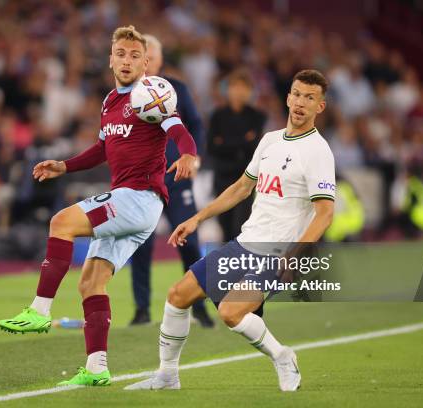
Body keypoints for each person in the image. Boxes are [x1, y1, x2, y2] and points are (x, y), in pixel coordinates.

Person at [0, 26, 197, 387]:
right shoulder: (109, 101)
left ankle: (39, 310)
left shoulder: (149, 94)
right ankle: (96, 367)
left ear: (146, 62)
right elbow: (103, 148)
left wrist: (188, 154)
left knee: (61, 221)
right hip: (132, 203)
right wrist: (65, 165)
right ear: (110, 59)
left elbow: (177, 127)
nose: (127, 60)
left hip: (138, 198)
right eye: (121, 53)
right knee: (90, 283)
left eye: (135, 55)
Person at [125, 70, 335, 392]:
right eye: (296, 94)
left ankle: (282, 356)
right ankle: (167, 376)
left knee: (230, 312)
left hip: (276, 253)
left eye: (310, 97)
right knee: (177, 296)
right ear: (288, 96)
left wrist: (295, 256)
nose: (300, 102)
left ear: (320, 106)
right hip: (244, 245)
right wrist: (197, 219)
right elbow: (240, 188)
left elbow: (324, 214)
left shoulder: (318, 152)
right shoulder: (270, 140)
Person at [129, 34, 214, 327]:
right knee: (141, 244)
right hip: (142, 181)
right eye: (144, 55)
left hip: (176, 178)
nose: (148, 61)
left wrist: (196, 156)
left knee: (189, 239)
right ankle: (141, 310)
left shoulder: (176, 89)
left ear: (160, 59)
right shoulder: (127, 93)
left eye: (152, 55)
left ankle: (199, 305)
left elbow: (197, 125)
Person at [207, 69, 267, 241]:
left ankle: (242, 263)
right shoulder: (217, 116)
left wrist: (225, 142)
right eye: (235, 87)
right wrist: (242, 142)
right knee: (224, 226)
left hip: (246, 179)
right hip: (222, 177)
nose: (239, 92)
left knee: (240, 225)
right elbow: (211, 147)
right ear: (228, 90)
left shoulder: (257, 116)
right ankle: (230, 264)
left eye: (244, 87)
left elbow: (255, 147)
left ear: (250, 91)